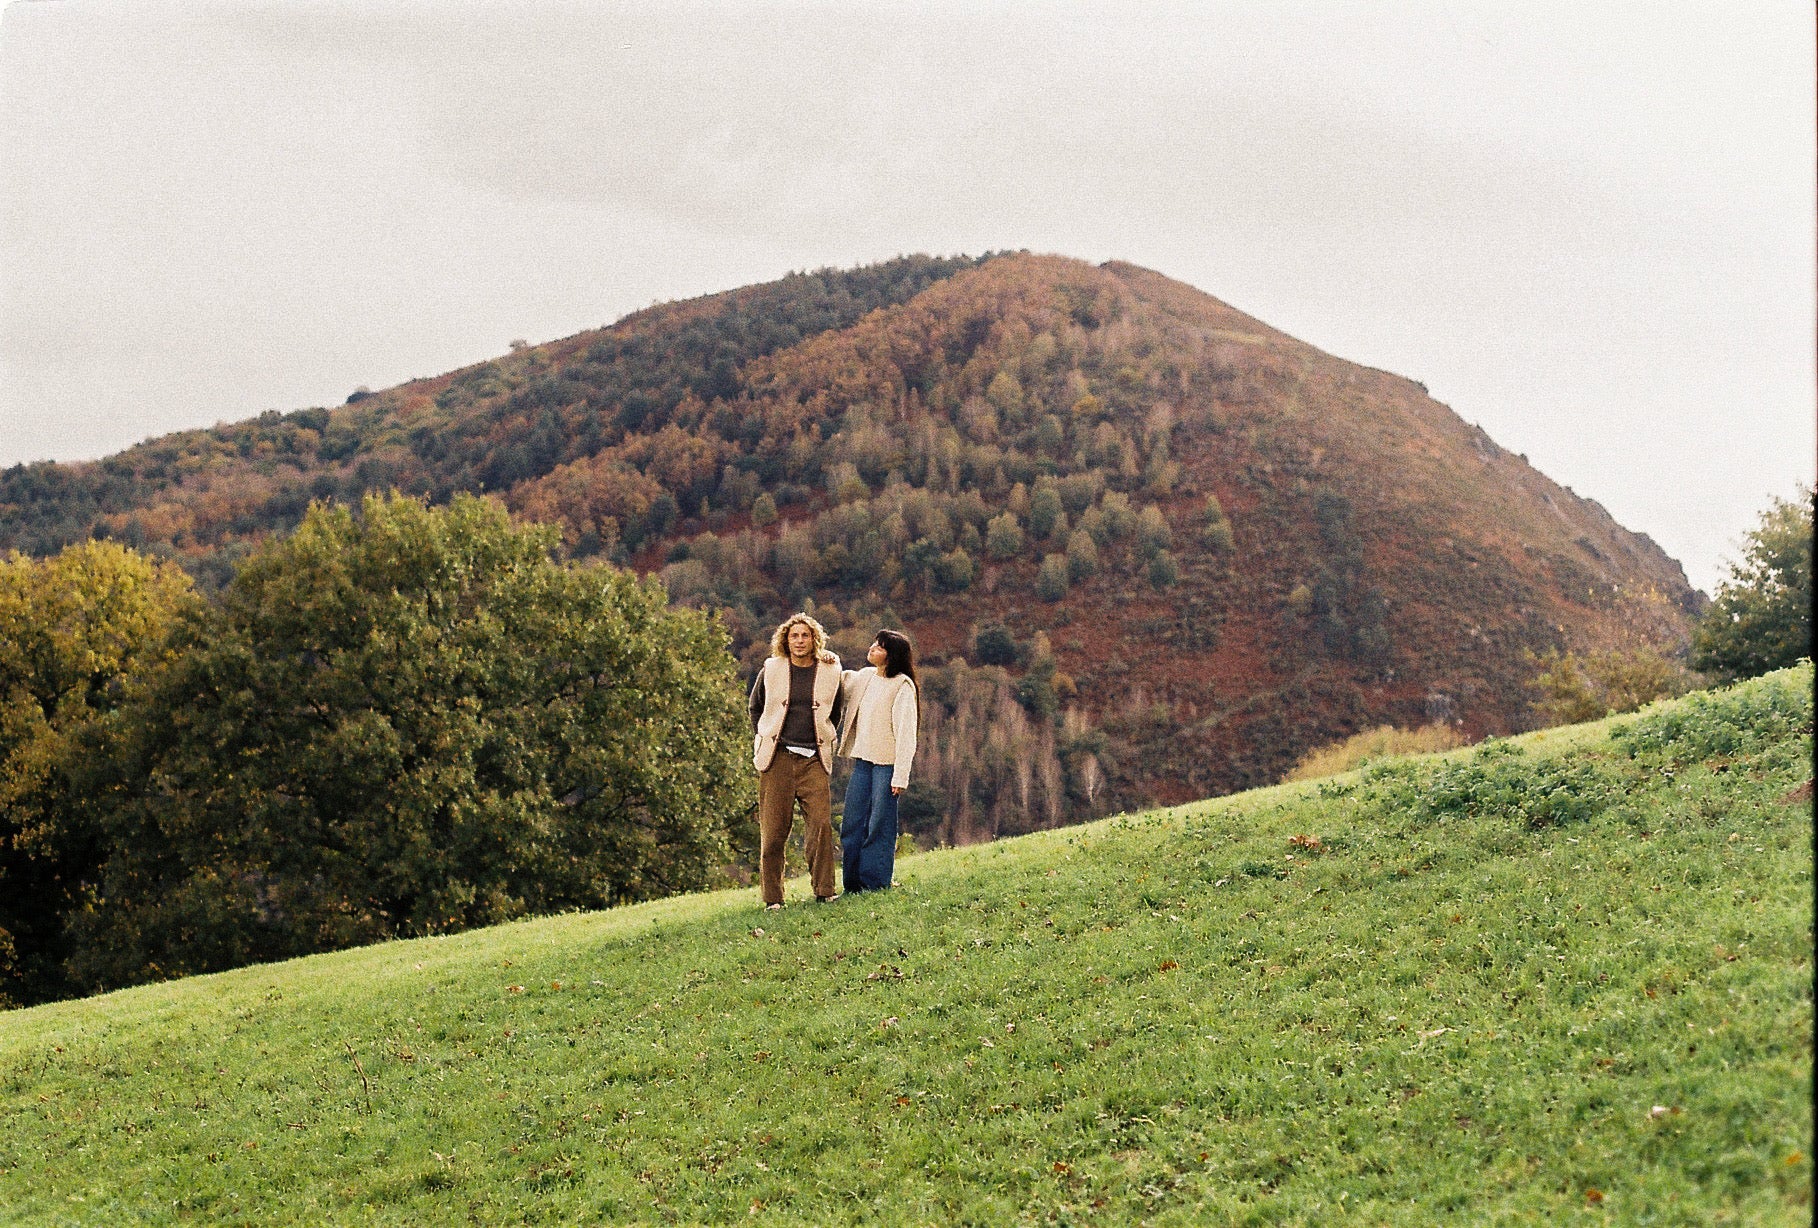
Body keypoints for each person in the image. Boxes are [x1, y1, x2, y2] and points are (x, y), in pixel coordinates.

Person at [748, 613, 844, 910]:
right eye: (794, 636)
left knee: (821, 824)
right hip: (777, 759)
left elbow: (836, 710)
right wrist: (767, 736)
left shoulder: (830, 669)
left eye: (805, 636)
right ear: (785, 640)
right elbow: (755, 706)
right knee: (774, 831)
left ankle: (824, 890)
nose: (800, 641)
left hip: (813, 759)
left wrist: (823, 737)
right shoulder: (772, 668)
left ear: (814, 639)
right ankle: (773, 898)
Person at [836, 629, 919, 894]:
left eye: (880, 647)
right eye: (874, 644)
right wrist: (826, 658)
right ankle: (852, 884)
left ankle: (875, 884)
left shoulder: (902, 685)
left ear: (891, 656)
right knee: (852, 824)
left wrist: (900, 776)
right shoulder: (865, 677)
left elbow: (906, 732)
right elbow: (838, 681)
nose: (872, 648)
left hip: (887, 765)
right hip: (863, 762)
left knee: (879, 825)